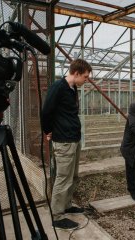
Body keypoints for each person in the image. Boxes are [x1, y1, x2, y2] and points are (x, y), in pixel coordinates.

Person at [41, 59, 92, 230]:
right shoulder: (59, 87)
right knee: (63, 178)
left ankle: (67, 204)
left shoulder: (72, 88)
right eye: (85, 77)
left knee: (73, 176)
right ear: (76, 73)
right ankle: (57, 215)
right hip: (63, 141)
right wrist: (48, 130)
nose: (86, 80)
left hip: (74, 139)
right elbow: (46, 110)